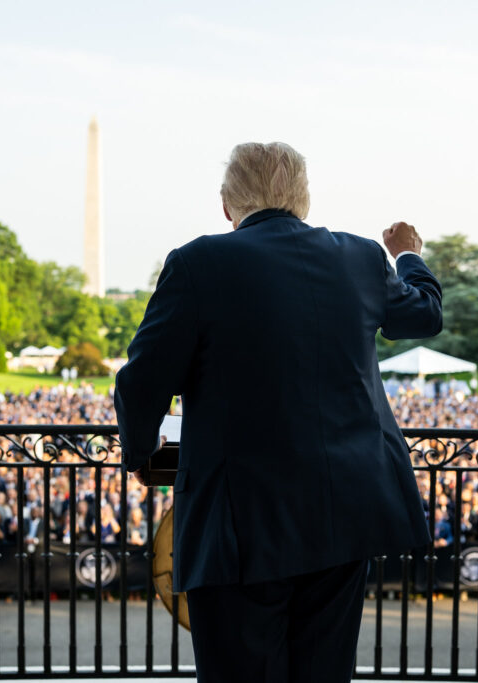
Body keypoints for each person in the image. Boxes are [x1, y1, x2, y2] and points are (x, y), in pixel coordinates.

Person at [114, 142, 443, 682]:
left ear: (227, 206)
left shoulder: (197, 263)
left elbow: (141, 381)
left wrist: (142, 453)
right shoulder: (361, 257)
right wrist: (407, 254)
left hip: (239, 525)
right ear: (303, 200)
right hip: (343, 515)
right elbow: (424, 314)